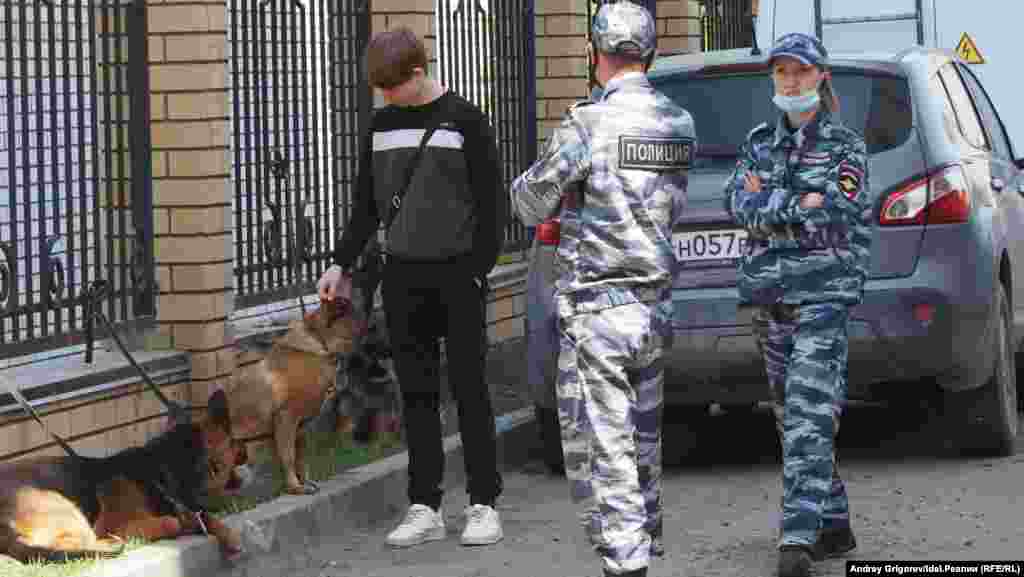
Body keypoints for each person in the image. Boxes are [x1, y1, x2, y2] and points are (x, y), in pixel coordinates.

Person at [511, 3, 695, 576]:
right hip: (653, 309)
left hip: (599, 310)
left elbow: (529, 201)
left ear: (594, 53)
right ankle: (641, 540)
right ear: (651, 54)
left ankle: (626, 562)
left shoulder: (588, 124)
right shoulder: (678, 122)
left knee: (603, 448)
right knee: (642, 443)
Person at [317, 26, 508, 548]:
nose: (385, 97)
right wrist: (339, 263)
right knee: (417, 395)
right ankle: (425, 505)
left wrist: (477, 269)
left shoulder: (466, 120)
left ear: (419, 73)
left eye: (391, 87)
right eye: (379, 89)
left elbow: (493, 205)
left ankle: (483, 504)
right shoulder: (381, 126)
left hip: (458, 276)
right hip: (402, 276)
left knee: (469, 390)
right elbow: (366, 205)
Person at [725, 32, 872, 577]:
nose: (791, 81)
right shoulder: (758, 141)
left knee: (810, 412)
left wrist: (771, 202)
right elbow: (737, 203)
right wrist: (794, 202)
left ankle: (797, 539)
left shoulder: (845, 146)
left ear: (821, 76)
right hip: (770, 298)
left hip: (823, 296)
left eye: (801, 71)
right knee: (793, 417)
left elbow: (833, 208)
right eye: (782, 71)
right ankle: (833, 523)